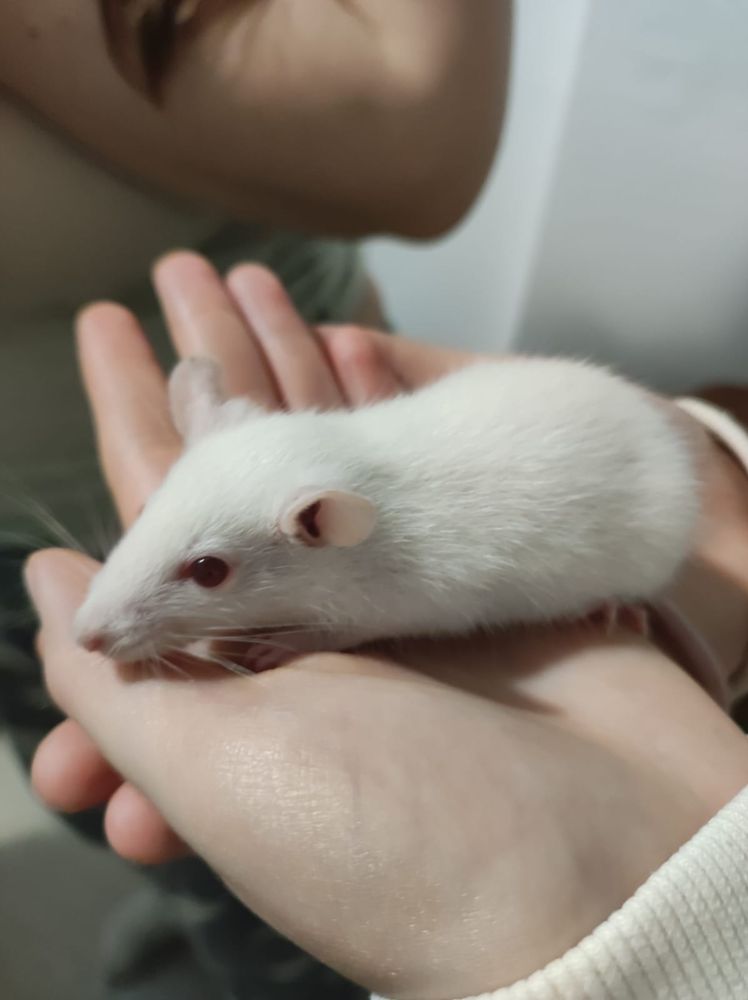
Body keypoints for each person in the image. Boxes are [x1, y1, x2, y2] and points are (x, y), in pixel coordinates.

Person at [26, 255, 748, 998]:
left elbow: (448, 600)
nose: (100, 623)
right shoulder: (305, 497)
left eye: (207, 570)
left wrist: (323, 636)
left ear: (320, 524)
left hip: (635, 484)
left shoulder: (392, 545)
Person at [0, 3, 509, 996]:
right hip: (37, 504)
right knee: (89, 775)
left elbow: (420, 134)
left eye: (203, 567)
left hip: (305, 394)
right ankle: (192, 911)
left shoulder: (342, 539)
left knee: (267, 861)